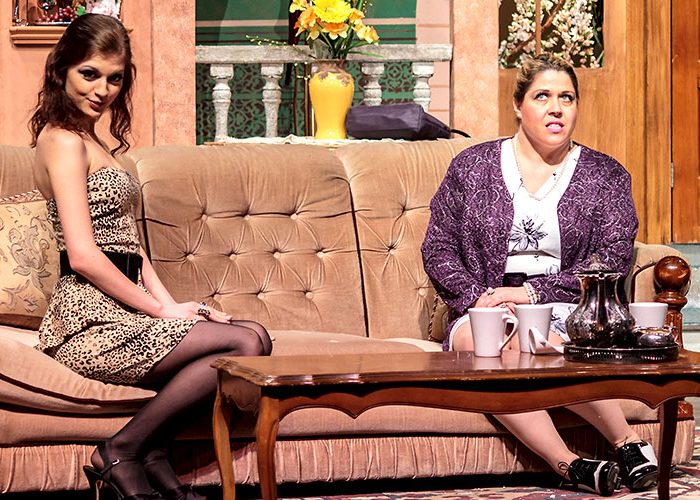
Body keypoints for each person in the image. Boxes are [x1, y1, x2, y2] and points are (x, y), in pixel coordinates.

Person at [30, 14, 272, 500]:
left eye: (115, 78)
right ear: (61, 71)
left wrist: (175, 306)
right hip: (88, 318)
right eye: (89, 73)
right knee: (244, 345)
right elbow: (83, 255)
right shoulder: (62, 140)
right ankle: (121, 451)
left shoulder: (96, 142)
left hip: (126, 307)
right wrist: (160, 312)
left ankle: (154, 453)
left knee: (256, 336)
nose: (102, 90)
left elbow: (132, 249)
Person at [421, 53, 657, 496]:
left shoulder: (606, 175)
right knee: (491, 341)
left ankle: (627, 443)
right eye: (542, 96)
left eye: (566, 98)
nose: (556, 108)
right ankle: (571, 464)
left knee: (536, 340)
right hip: (482, 307)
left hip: (568, 307)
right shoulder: (471, 167)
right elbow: (438, 247)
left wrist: (533, 293)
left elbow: (613, 255)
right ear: (518, 104)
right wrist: (479, 297)